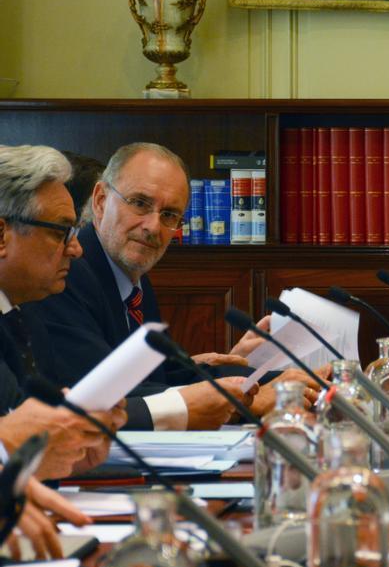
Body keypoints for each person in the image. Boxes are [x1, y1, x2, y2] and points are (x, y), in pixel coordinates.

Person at [28, 143, 311, 431]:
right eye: (140, 203)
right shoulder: (65, 274)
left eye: (169, 215)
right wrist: (248, 397)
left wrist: (289, 381)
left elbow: (170, 373)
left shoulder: (132, 275)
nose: (153, 226)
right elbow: (102, 397)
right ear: (100, 200)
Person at [0, 144, 130, 557]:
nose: (75, 248)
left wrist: (69, 450)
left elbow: (22, 420)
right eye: (60, 232)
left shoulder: (26, 313)